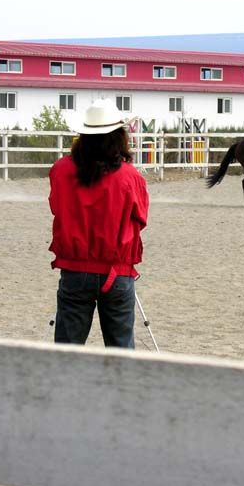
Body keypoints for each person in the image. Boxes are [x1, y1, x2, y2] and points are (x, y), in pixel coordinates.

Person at [48, 99, 149, 348]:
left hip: (75, 269)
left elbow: (56, 207)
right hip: (117, 273)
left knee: (67, 350)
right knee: (121, 350)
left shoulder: (61, 170)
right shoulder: (130, 176)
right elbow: (141, 217)